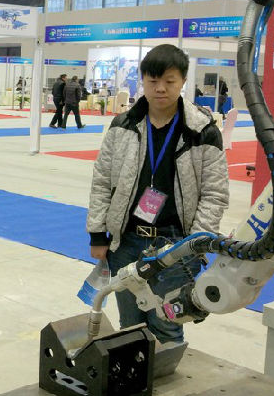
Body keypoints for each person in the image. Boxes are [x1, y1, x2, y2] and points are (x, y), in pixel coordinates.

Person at [87, 44, 228, 344]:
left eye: (169, 81)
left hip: (175, 244)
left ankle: (165, 372)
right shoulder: (123, 125)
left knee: (167, 324)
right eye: (153, 81)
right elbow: (101, 182)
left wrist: (195, 243)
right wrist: (98, 235)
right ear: (143, 81)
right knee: (130, 324)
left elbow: (215, 193)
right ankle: (135, 371)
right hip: (126, 242)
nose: (160, 88)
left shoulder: (201, 131)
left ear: (183, 81)